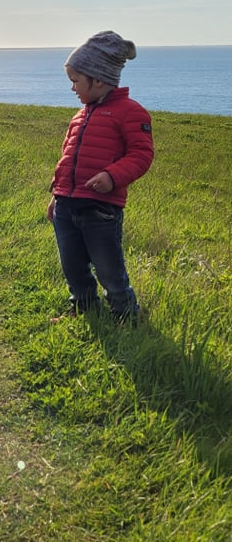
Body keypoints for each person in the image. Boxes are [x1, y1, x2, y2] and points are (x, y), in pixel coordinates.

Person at [46, 31, 154, 324]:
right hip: (67, 205)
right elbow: (66, 158)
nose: (72, 88)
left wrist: (112, 176)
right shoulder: (80, 116)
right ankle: (83, 307)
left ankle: (125, 316)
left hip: (100, 209)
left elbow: (141, 155)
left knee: (109, 269)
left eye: (76, 81)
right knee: (72, 264)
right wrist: (56, 195)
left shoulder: (131, 113)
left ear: (99, 80)